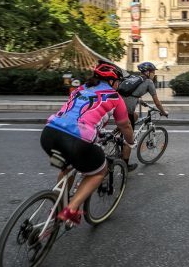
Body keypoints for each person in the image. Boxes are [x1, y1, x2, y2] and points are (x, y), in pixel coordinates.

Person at [40, 62, 134, 225]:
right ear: (112, 81)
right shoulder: (114, 96)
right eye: (118, 81)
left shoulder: (80, 89)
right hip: (77, 139)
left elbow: (77, 114)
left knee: (68, 166)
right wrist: (130, 141)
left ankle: (58, 205)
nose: (118, 85)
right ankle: (71, 210)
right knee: (99, 171)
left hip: (49, 133)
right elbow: (125, 125)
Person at [119, 61, 168, 171]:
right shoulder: (149, 82)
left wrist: (141, 102)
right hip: (127, 111)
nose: (154, 73)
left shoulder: (134, 78)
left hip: (118, 107)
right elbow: (157, 102)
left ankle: (118, 132)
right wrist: (163, 112)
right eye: (153, 71)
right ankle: (125, 166)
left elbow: (132, 94)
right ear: (147, 72)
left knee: (135, 117)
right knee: (129, 139)